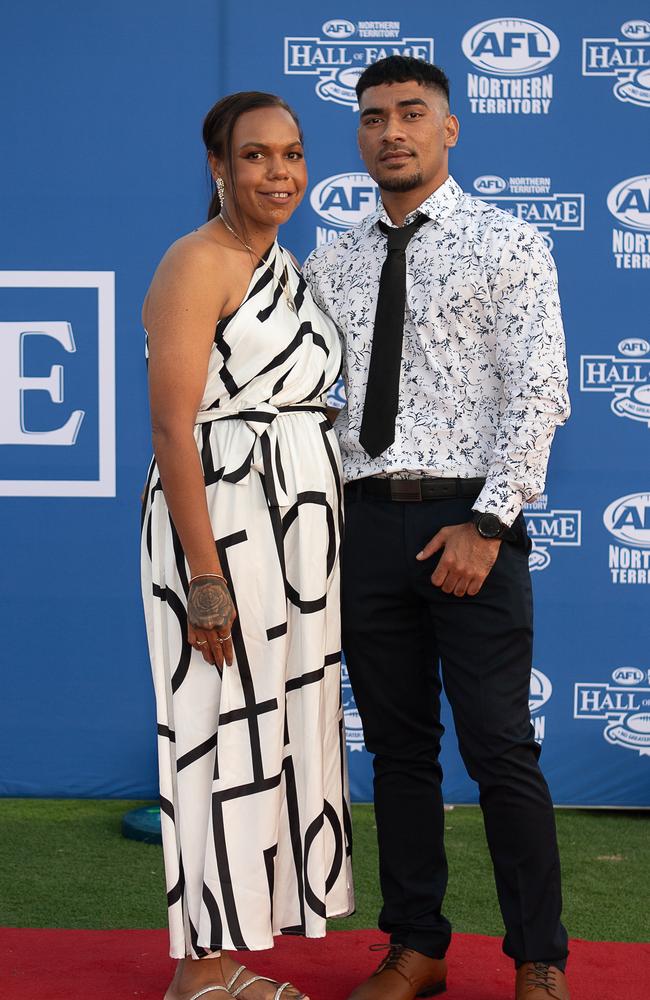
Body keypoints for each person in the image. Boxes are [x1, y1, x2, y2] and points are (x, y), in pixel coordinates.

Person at [303, 56, 571, 1000]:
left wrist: (488, 524)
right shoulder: (329, 257)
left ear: (450, 127)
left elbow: (540, 394)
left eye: (412, 113)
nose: (392, 132)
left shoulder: (509, 243)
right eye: (373, 118)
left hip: (472, 521)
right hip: (363, 525)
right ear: (361, 135)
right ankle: (416, 946)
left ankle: (539, 957)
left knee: (500, 745)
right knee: (399, 749)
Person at [141, 90, 354, 1000]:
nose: (280, 173)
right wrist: (205, 577)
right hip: (224, 526)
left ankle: (227, 956)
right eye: (257, 156)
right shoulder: (197, 262)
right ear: (218, 168)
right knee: (217, 731)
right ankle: (199, 973)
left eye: (293, 154)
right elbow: (169, 430)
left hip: (297, 534)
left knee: (270, 735)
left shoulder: (287, 263)